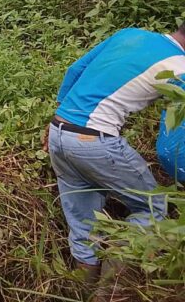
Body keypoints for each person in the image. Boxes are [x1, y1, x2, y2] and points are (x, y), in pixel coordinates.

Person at [44, 26, 185, 290]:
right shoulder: (179, 67)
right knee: (153, 208)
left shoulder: (129, 35)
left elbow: (74, 70)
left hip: (58, 132)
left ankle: (83, 292)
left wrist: (59, 115)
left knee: (84, 224)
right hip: (95, 141)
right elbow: (170, 145)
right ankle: (111, 290)